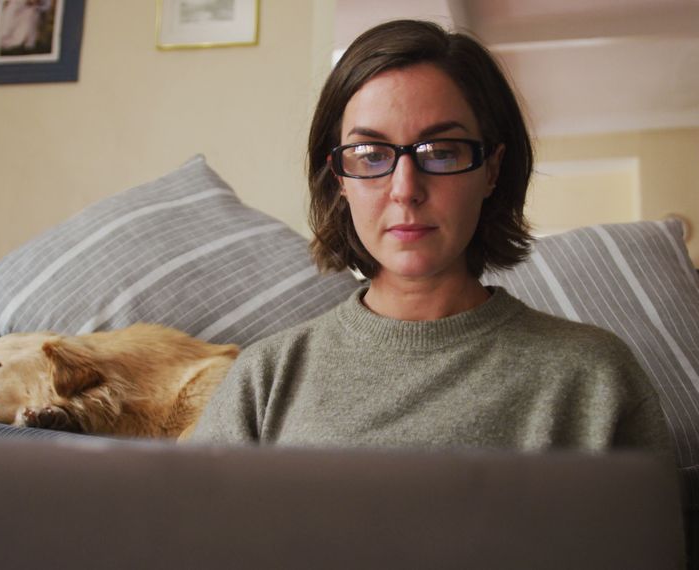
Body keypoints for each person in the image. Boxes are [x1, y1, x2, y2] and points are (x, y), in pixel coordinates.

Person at [193, 20, 672, 458]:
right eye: (369, 153)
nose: (406, 189)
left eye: (441, 152)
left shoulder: (592, 376)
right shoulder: (265, 379)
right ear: (339, 176)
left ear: (492, 170)